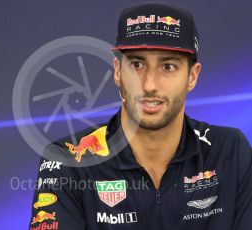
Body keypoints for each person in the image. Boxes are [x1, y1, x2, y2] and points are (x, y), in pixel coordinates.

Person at [28, 2, 252, 230]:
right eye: (136, 64)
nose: (149, 84)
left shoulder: (230, 151)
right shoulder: (67, 160)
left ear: (192, 76)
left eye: (168, 67)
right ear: (117, 72)